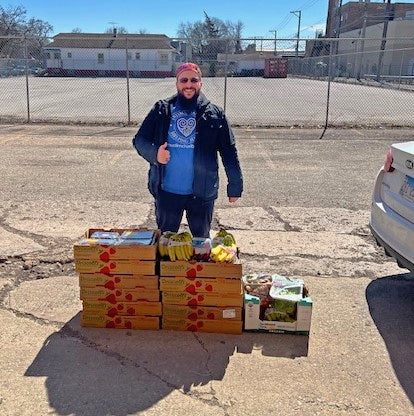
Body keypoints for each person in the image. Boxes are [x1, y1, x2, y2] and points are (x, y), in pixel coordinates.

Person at [132, 62, 243, 238]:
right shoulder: (161, 110)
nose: (189, 85)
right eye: (184, 80)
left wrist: (235, 185)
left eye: (193, 80)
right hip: (167, 192)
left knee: (201, 246)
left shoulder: (215, 114)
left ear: (200, 83)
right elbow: (139, 140)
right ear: (177, 83)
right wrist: (155, 155)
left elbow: (229, 151)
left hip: (202, 194)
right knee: (166, 245)